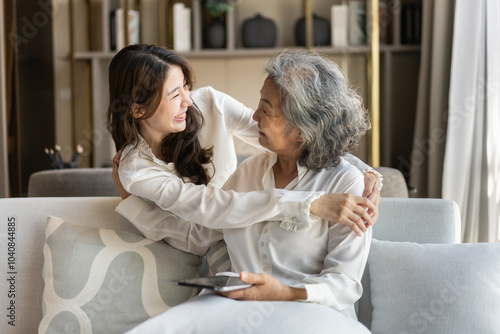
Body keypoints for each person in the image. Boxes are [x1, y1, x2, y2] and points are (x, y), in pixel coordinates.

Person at [121, 49, 372, 333]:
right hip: (238, 306)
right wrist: (131, 204)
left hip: (312, 312)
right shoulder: (249, 173)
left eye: (266, 110)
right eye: (174, 94)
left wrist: (284, 292)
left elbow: (345, 283)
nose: (253, 116)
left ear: (302, 129)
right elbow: (204, 231)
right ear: (138, 110)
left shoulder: (346, 184)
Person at [108, 44, 380, 249]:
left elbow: (294, 133)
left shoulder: (211, 104)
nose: (188, 101)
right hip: (215, 238)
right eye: (174, 94)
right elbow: (208, 212)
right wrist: (308, 204)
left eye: (186, 87)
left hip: (254, 224)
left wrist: (364, 173)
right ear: (137, 109)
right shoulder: (136, 169)